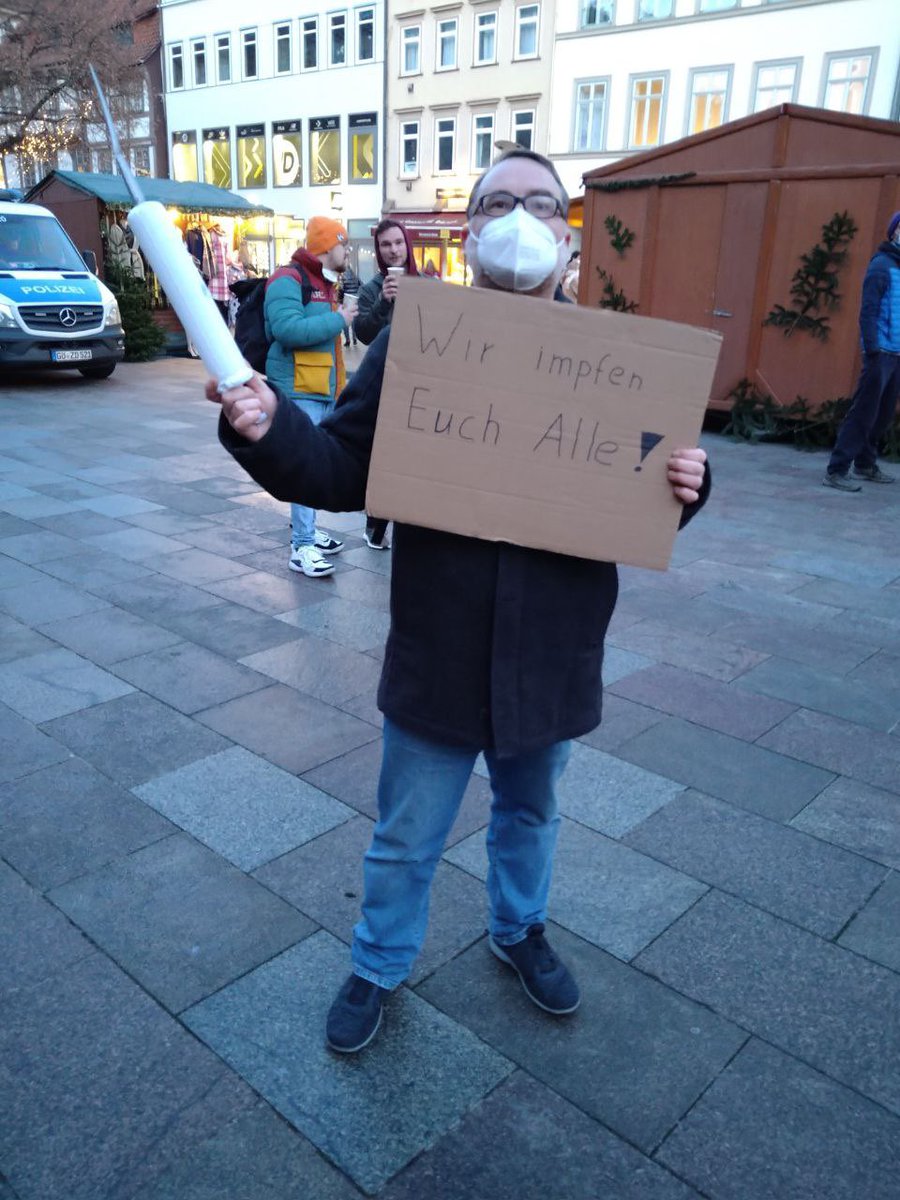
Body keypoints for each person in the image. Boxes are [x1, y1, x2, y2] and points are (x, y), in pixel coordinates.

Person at [210, 149, 710, 1055]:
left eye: (541, 203)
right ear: (470, 232)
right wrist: (270, 429)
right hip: (442, 644)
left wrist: (686, 482)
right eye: (497, 204)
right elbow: (341, 467)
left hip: (553, 647)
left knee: (531, 811)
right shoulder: (419, 343)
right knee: (407, 832)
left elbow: (646, 481)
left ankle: (520, 930)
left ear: (568, 231)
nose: (520, 218)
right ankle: (378, 962)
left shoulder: (620, 361)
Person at [263, 215, 356, 576]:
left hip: (320, 389)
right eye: (343, 243)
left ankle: (309, 532)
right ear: (326, 245)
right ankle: (301, 546)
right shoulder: (288, 279)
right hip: (299, 390)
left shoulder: (323, 281)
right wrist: (341, 319)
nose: (347, 250)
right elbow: (287, 330)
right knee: (303, 467)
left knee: (314, 466)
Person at [354, 218, 422, 550]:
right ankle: (375, 525)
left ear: (407, 244)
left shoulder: (425, 283)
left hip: (422, 382)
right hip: (387, 382)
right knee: (386, 457)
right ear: (379, 251)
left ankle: (416, 525)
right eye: (385, 245)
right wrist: (384, 301)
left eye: (398, 242)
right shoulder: (370, 289)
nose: (393, 250)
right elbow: (363, 333)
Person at [824, 211, 900, 491]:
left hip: (897, 353)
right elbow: (868, 312)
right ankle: (837, 469)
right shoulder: (881, 266)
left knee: (883, 414)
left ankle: (865, 464)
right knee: (864, 412)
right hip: (881, 352)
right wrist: (873, 349)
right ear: (893, 232)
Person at [340, 262, 361, 348]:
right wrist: (357, 295)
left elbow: (341, 289)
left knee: (345, 320)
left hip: (347, 299)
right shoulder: (355, 275)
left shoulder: (342, 276)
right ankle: (355, 338)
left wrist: (340, 300)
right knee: (353, 320)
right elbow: (362, 285)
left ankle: (348, 340)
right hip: (355, 299)